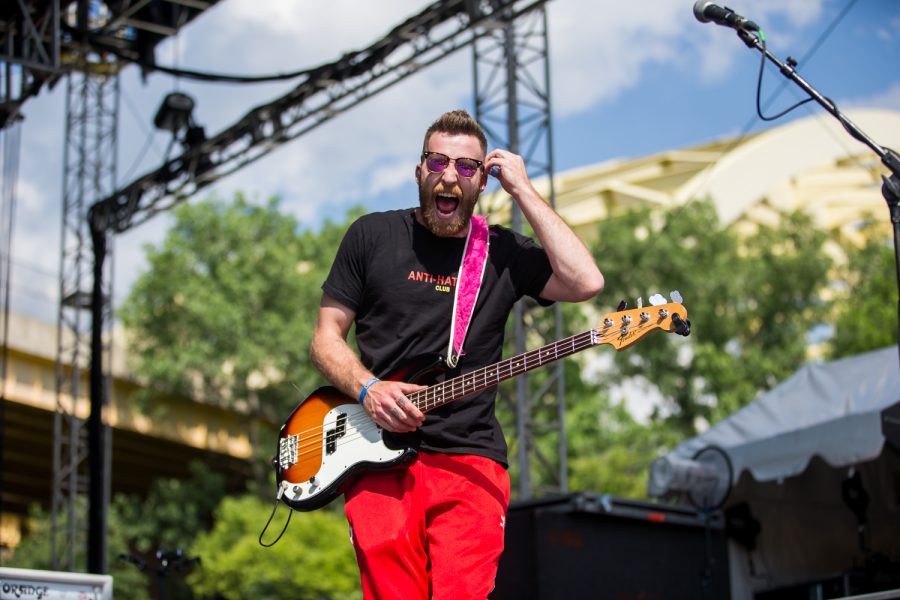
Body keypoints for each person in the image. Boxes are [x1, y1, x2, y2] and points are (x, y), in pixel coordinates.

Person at [309, 109, 603, 599]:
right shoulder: (371, 235)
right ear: (419, 170)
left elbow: (586, 281)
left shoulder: (503, 252)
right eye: (438, 162)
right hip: (376, 454)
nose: (450, 176)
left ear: (482, 181)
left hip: (470, 459)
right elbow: (324, 337)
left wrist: (524, 191)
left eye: (467, 167)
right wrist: (369, 388)